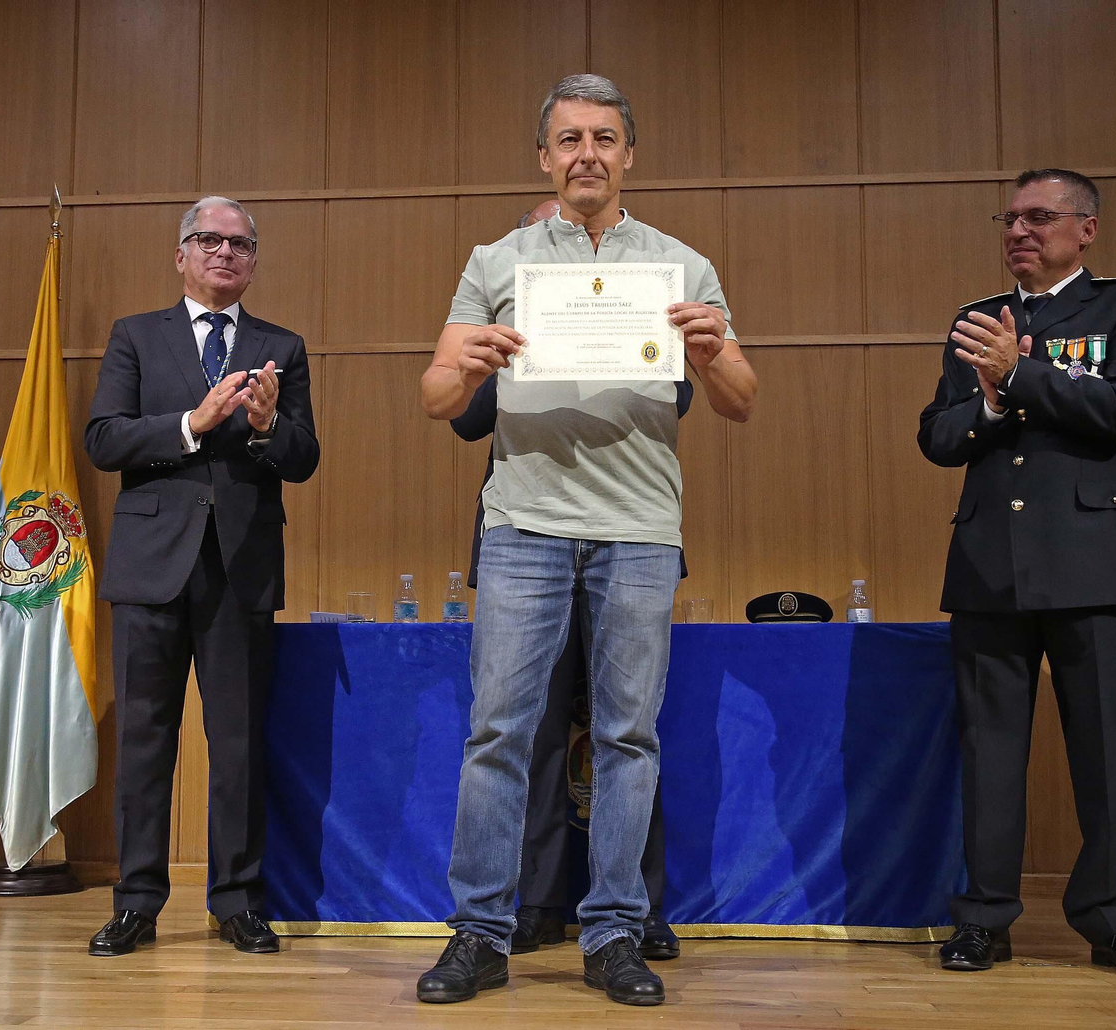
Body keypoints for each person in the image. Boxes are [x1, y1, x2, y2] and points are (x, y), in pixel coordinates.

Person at [416, 74, 756, 1007]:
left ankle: (614, 932)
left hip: (640, 532)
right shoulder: (498, 260)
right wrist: (470, 363)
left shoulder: (680, 265)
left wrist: (712, 349)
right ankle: (479, 934)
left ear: (629, 155)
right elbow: (438, 395)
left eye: (604, 137)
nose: (587, 154)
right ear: (544, 157)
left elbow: (741, 399)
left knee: (626, 738)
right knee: (497, 734)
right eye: (569, 139)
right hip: (523, 526)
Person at [919, 168, 1116, 981]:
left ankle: (1112, 922)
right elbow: (938, 435)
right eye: (1011, 218)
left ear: (1086, 229)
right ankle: (985, 920)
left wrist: (1019, 376)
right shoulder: (974, 319)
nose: (1019, 231)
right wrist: (990, 403)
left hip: (1095, 565)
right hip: (991, 565)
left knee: (1103, 750)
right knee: (989, 751)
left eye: (1040, 217)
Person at [83, 196, 320, 957]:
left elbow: (304, 458)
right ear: (181, 254)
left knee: (238, 743)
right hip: (152, 568)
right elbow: (105, 439)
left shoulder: (282, 345)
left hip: (240, 568)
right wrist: (194, 422)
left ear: (254, 261)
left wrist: (263, 429)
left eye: (239, 244)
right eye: (208, 240)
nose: (224, 252)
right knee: (146, 743)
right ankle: (138, 902)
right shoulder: (136, 337)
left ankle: (237, 901)